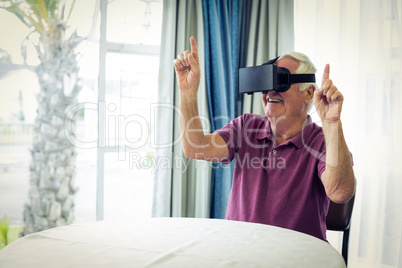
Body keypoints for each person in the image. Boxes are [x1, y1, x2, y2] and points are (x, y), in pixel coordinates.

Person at [173, 36, 355, 241]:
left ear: (308, 93)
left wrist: (331, 124)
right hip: (239, 251)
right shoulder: (246, 126)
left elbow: (340, 193)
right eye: (266, 82)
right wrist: (187, 92)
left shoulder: (323, 141)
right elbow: (196, 148)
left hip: (297, 257)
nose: (270, 90)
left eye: (280, 81)